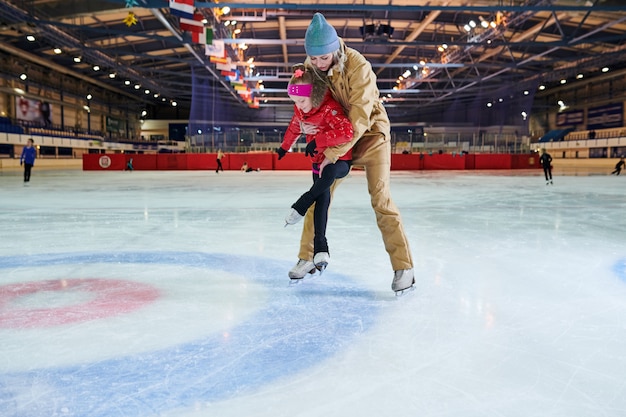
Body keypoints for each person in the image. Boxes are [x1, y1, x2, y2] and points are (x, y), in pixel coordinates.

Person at [289, 12, 414, 294]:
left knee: (381, 200)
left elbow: (359, 119)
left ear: (335, 47)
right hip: (337, 136)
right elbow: (307, 105)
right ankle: (307, 257)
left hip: (370, 136)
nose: (318, 64)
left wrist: (332, 152)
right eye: (314, 58)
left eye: (323, 58)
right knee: (321, 192)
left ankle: (404, 266)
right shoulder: (311, 67)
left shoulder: (359, 67)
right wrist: (316, 138)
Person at [277, 64, 354, 273]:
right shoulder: (301, 109)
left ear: (314, 94)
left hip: (340, 159)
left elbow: (348, 131)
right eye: (295, 102)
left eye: (301, 101)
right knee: (322, 200)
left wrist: (318, 140)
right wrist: (285, 147)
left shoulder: (329, 107)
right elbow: (295, 125)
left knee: (327, 175)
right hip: (317, 161)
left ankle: (301, 204)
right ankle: (320, 248)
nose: (299, 106)